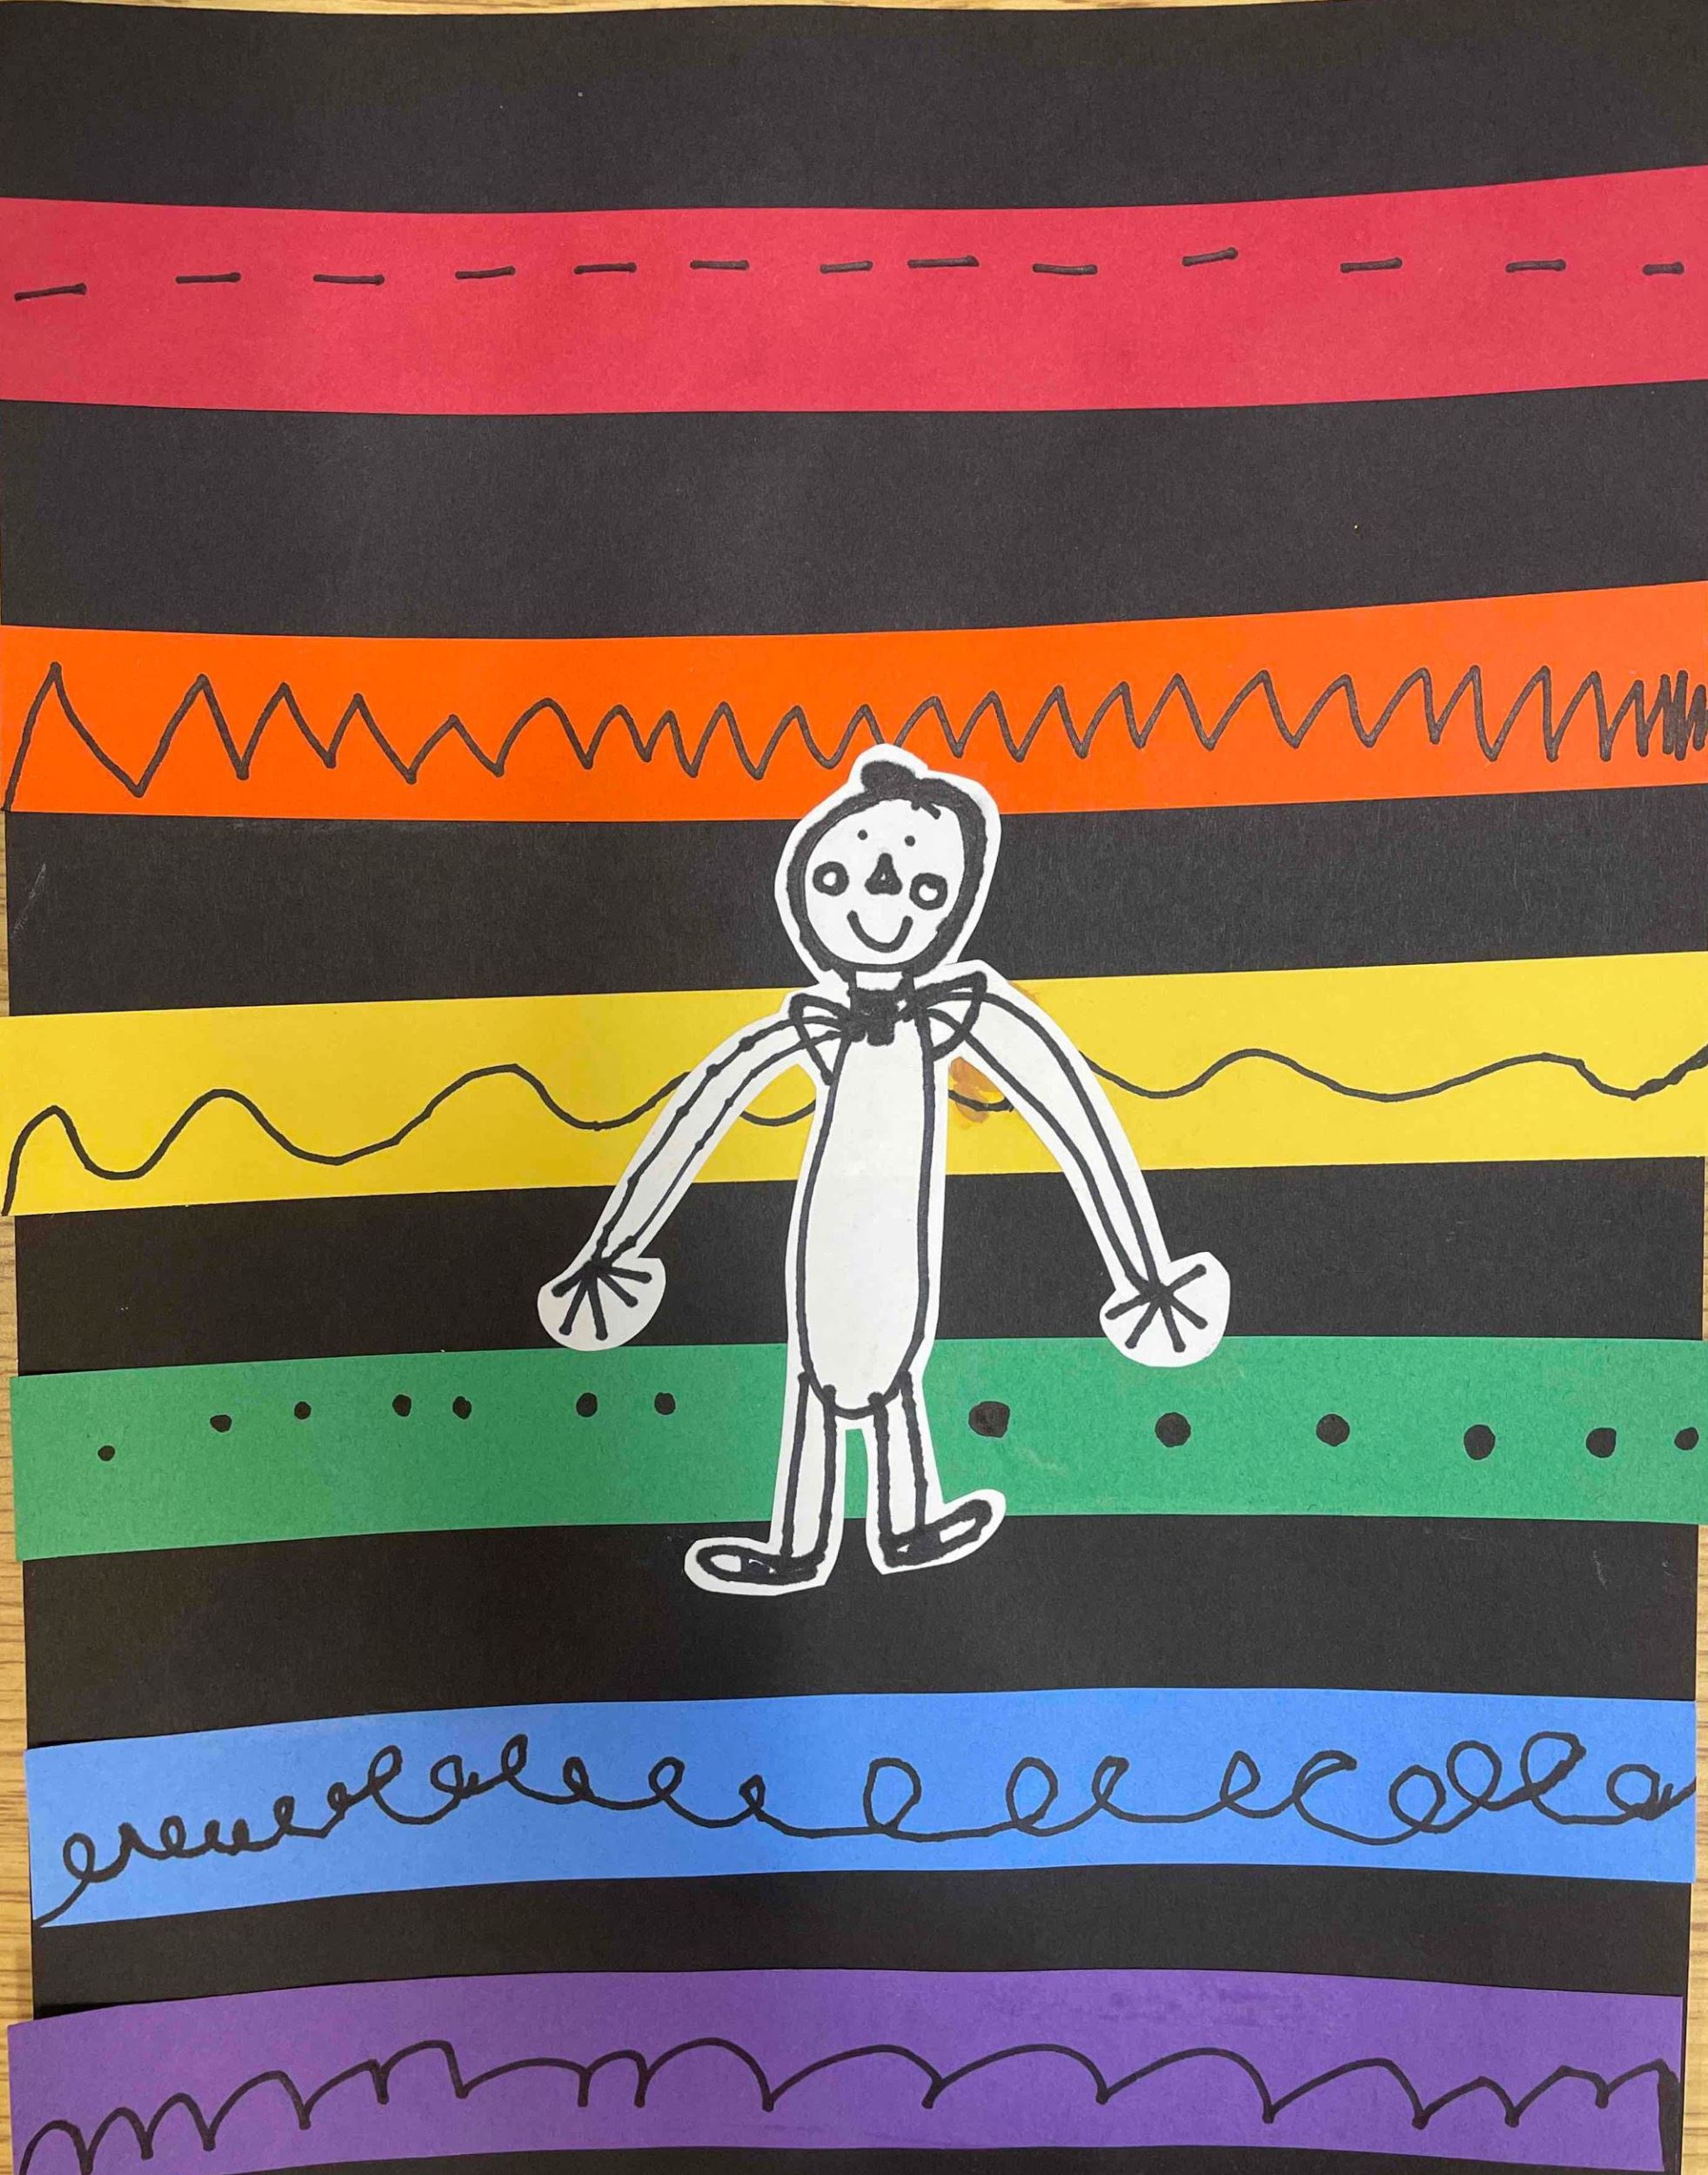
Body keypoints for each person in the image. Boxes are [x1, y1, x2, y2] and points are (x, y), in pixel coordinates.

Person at [539, 747, 1227, 1596]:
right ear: (809, 886)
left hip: (896, 1240)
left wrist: (1142, 1267)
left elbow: (1072, 1117)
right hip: (828, 1234)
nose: (880, 905)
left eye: (922, 891)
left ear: (950, 909)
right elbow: (700, 1116)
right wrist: (613, 1248)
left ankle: (903, 1525)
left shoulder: (962, 1011)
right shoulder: (810, 1022)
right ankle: (803, 1540)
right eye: (843, 880)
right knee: (819, 1364)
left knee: (889, 1355)